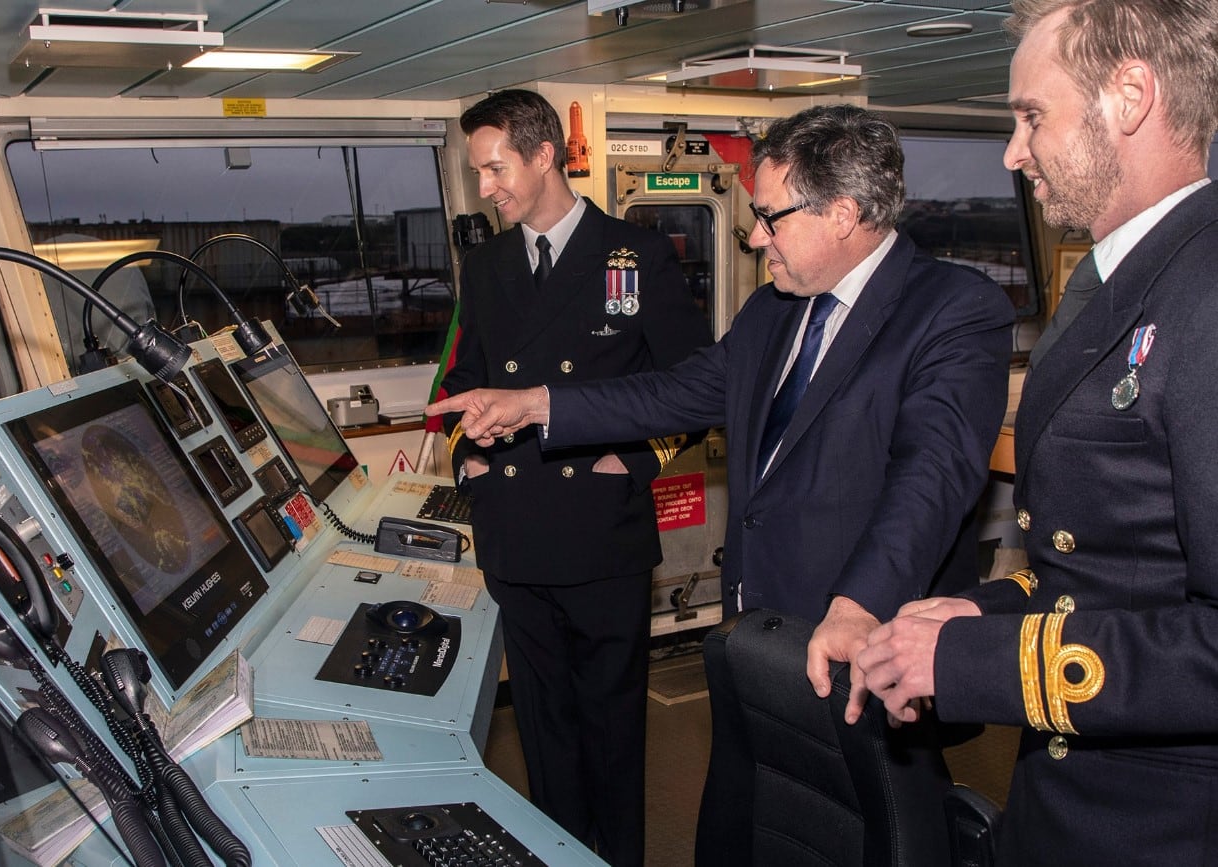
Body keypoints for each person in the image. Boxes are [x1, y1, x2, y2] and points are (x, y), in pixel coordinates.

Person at [431, 104, 1012, 724]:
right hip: (754, 626)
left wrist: (859, 604)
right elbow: (669, 393)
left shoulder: (954, 309)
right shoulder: (772, 311)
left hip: (861, 635)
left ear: (842, 214)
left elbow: (932, 479)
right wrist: (536, 404)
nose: (756, 236)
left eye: (769, 217)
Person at [856, 0, 1218, 863]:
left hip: (1161, 823)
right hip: (1075, 795)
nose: (1014, 154)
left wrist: (979, 664)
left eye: (1029, 116)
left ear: (1129, 95)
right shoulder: (1119, 279)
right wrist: (976, 612)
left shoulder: (1204, 296)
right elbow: (1122, 568)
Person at [439, 89, 710, 867]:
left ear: (544, 153)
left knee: (613, 726)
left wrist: (631, 459)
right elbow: (464, 378)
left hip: (601, 534)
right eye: (476, 174)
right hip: (514, 534)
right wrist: (472, 454)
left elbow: (693, 384)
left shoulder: (635, 256)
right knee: (543, 728)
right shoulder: (486, 266)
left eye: (494, 169)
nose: (485, 188)